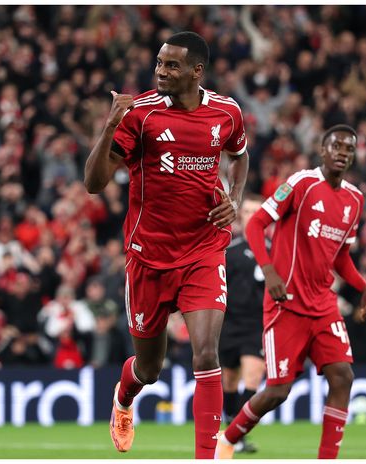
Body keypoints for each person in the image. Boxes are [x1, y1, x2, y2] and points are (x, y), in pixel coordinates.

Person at [83, 31, 249, 458]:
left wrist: (236, 197)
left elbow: (240, 153)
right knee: (149, 369)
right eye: (159, 63)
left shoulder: (227, 112)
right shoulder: (140, 114)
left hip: (205, 249)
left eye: (171, 65)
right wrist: (110, 125)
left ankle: (206, 456)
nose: (160, 71)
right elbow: (94, 184)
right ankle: (123, 399)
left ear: (197, 71)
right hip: (149, 256)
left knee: (206, 353)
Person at [215, 124, 366, 459]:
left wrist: (364, 287)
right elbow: (255, 223)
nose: (342, 153)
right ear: (322, 150)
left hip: (323, 305)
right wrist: (269, 270)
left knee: (343, 376)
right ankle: (228, 438)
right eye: (336, 146)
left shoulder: (354, 199)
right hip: (285, 304)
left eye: (348, 148)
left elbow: (342, 256)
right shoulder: (301, 183)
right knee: (277, 391)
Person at [219, 193, 267, 454]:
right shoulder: (230, 250)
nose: (251, 216)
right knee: (229, 381)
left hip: (257, 324)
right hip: (230, 324)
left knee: (252, 378)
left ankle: (236, 436)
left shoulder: (274, 250)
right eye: (247, 211)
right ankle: (232, 430)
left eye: (256, 212)